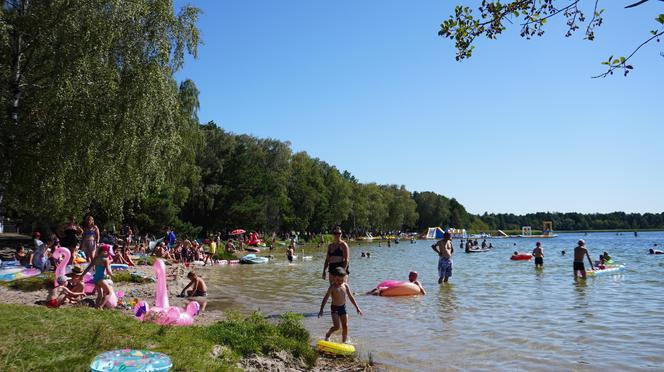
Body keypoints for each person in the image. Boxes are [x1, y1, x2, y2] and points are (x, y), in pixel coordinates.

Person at [318, 267, 362, 343]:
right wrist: (321, 309)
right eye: (338, 280)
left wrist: (357, 308)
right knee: (337, 327)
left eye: (342, 280)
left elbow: (351, 297)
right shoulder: (332, 287)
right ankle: (328, 334)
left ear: (344, 278)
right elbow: (325, 298)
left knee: (345, 326)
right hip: (334, 308)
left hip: (343, 308)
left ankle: (344, 342)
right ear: (334, 277)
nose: (340, 282)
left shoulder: (345, 286)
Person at [82, 244, 114, 308]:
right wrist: (112, 275)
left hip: (95, 278)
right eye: (108, 252)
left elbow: (88, 267)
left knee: (100, 294)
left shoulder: (96, 258)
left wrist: (82, 275)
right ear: (104, 252)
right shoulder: (105, 260)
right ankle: (101, 306)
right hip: (101, 278)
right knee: (108, 293)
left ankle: (96, 306)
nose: (109, 254)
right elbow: (108, 271)